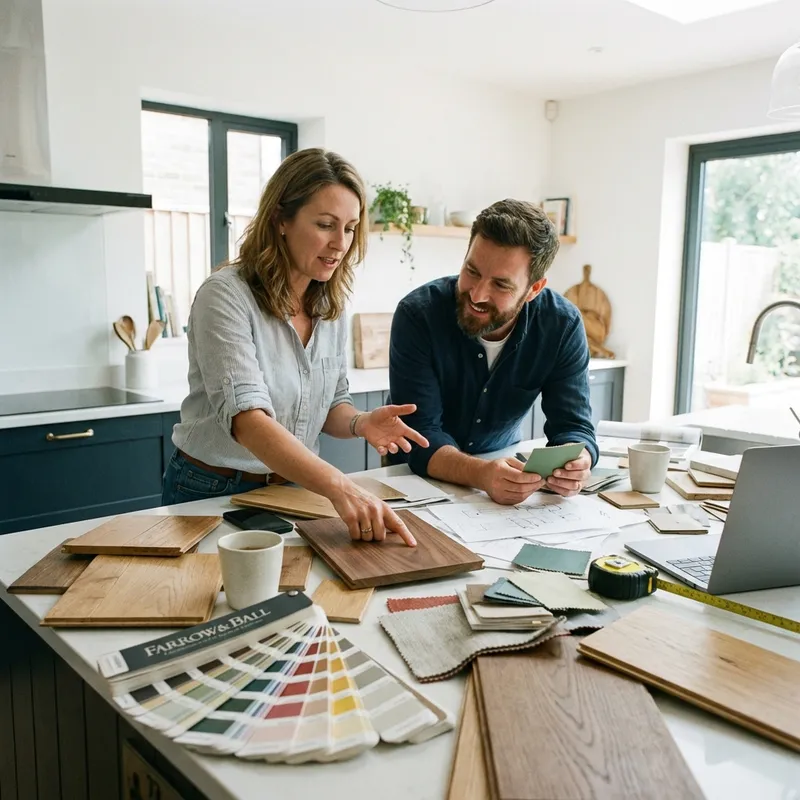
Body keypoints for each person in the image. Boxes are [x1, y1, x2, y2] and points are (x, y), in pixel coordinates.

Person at [162, 148, 428, 546]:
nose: (340, 243)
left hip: (290, 490)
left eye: (351, 228)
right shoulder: (225, 296)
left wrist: (360, 423)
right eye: (325, 224)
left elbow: (329, 404)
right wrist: (341, 487)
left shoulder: (330, 306)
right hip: (210, 490)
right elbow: (248, 420)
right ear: (280, 220)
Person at [388, 198, 597, 505]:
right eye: (472, 271)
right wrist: (482, 474)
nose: (477, 294)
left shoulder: (561, 325)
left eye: (500, 284)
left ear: (534, 289)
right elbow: (420, 435)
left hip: (503, 471)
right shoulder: (418, 315)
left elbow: (574, 426)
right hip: (415, 479)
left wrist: (578, 462)